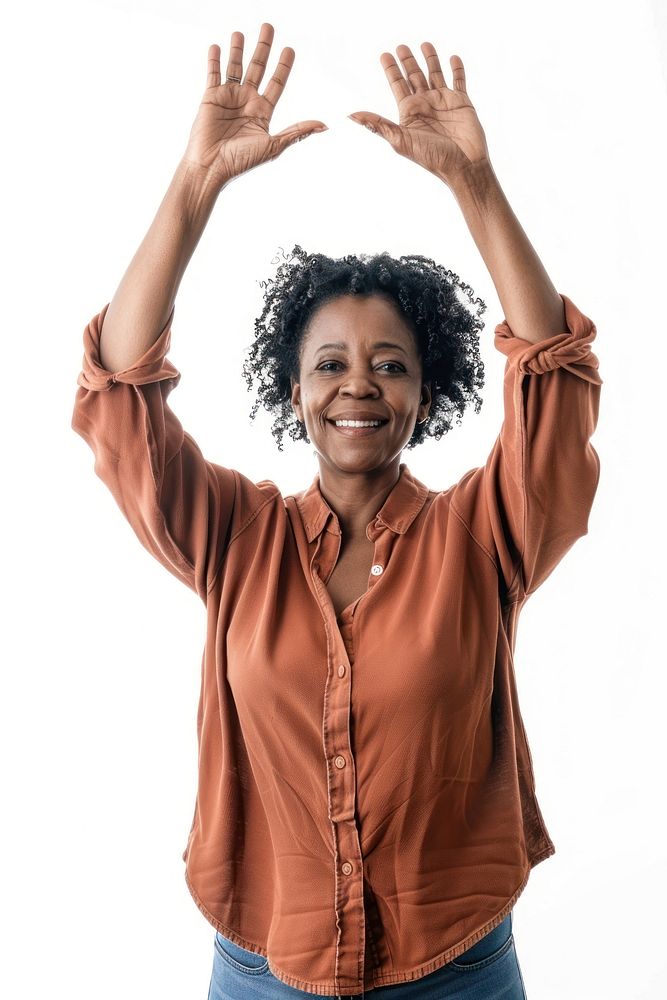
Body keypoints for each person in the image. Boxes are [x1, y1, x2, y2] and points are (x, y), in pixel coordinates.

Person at [71, 21, 602, 1000]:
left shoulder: (482, 534)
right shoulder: (235, 535)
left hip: (457, 971)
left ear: (423, 391)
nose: (359, 386)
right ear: (295, 389)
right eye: (331, 363)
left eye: (389, 365)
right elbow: (117, 398)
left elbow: (554, 383)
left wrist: (474, 189)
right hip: (266, 968)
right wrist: (193, 191)